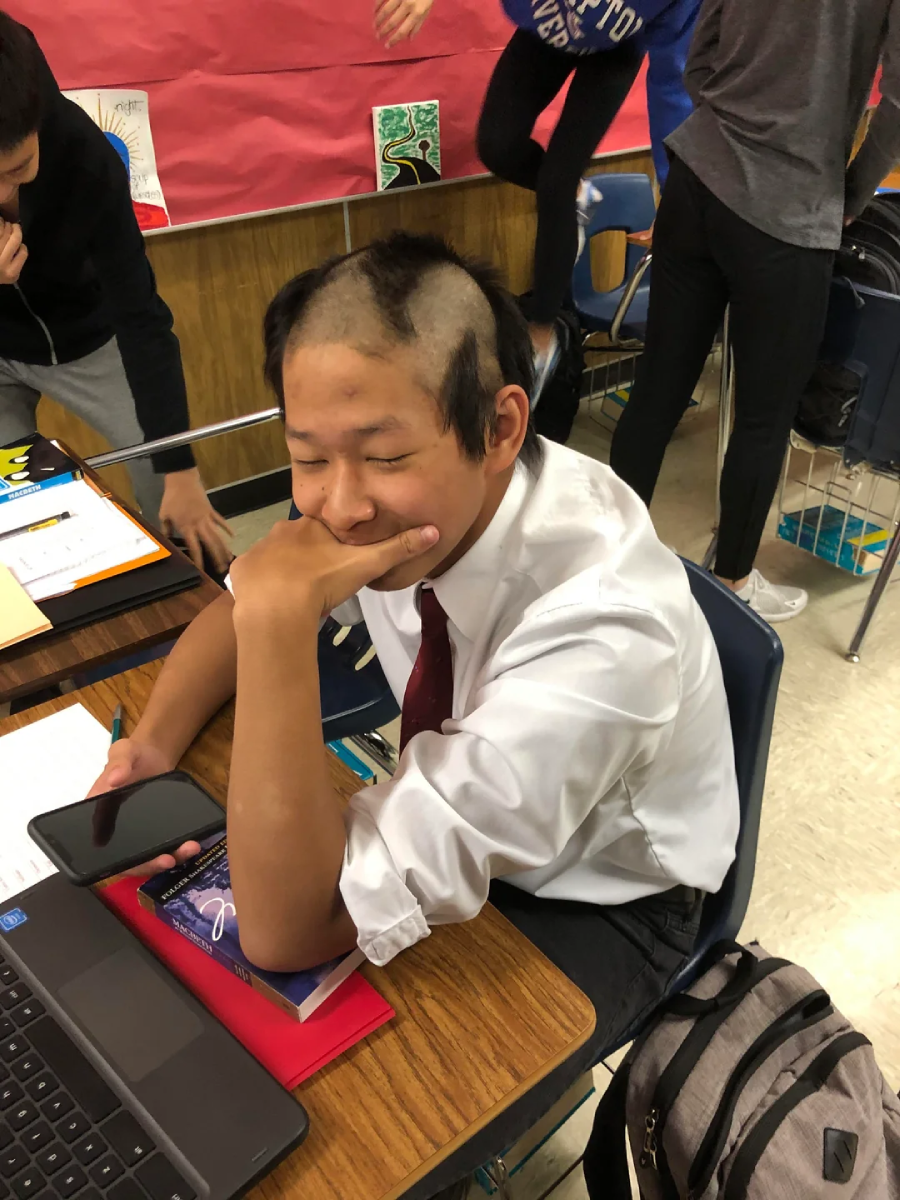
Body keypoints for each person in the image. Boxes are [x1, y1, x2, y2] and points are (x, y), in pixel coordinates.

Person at [88, 232, 739, 1199]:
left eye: (384, 456)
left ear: (501, 426)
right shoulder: (411, 506)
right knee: (179, 1042)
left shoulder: (606, 634)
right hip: (460, 794)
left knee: (351, 1145)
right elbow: (255, 594)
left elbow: (287, 932)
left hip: (601, 898)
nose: (338, 507)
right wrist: (149, 744)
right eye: (305, 458)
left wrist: (277, 622)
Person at [609, 0, 900, 623]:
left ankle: (606, 565)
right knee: (763, 418)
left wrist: (726, 120)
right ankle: (731, 585)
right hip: (790, 209)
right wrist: (853, 190)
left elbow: (700, 47)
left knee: (658, 384)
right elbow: (898, 100)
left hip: (699, 178)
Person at [0, 13, 232, 572]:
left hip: (91, 338)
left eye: (19, 168)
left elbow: (142, 315)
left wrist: (180, 468)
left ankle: (215, 614)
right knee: (16, 514)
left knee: (172, 494)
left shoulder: (84, 156)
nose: (3, 192)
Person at [374, 0, 700, 398]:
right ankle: (581, 194)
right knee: (496, 146)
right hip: (548, 29)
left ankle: (541, 341)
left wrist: (673, 189)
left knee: (556, 184)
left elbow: (673, 85)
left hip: (614, 51)